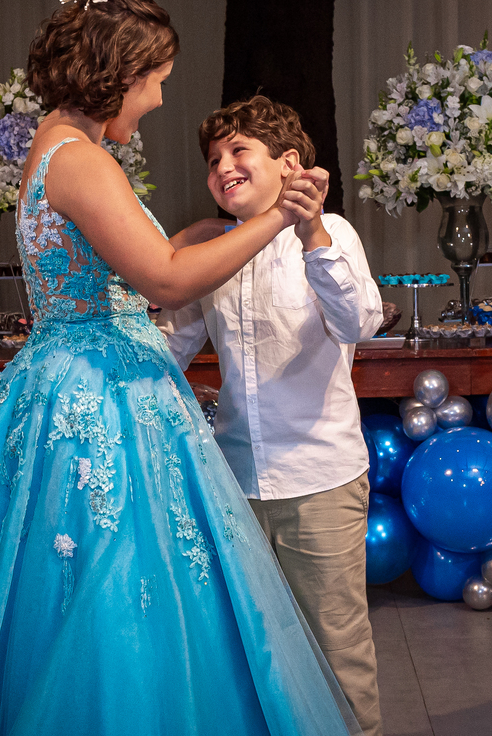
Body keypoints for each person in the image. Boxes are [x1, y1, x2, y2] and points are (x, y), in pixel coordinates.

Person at [0, 0, 360, 736]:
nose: (157, 98)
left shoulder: (57, 148)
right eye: (155, 80)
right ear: (118, 73)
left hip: (71, 372)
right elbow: (165, 279)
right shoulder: (80, 160)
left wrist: (204, 235)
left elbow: (125, 259)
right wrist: (277, 217)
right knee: (113, 590)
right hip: (100, 398)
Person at [157, 96, 386, 736]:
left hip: (320, 478)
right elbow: (171, 348)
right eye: (213, 160)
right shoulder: (217, 252)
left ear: (289, 164)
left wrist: (312, 236)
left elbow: (359, 323)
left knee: (336, 644)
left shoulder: (332, 234)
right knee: (252, 643)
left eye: (238, 151)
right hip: (236, 483)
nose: (222, 167)